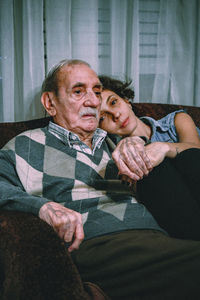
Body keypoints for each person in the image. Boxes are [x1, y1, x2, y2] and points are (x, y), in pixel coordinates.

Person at [0, 59, 200, 300]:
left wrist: (136, 143)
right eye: (78, 91)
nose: (94, 101)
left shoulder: (114, 141)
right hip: (98, 243)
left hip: (158, 237)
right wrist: (41, 207)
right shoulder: (26, 144)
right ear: (50, 103)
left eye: (96, 92)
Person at [98, 75, 200, 240]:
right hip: (181, 219)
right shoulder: (117, 157)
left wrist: (163, 147)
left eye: (113, 102)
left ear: (126, 101)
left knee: (187, 158)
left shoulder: (176, 120)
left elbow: (195, 150)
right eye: (102, 118)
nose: (115, 115)